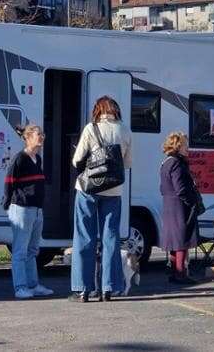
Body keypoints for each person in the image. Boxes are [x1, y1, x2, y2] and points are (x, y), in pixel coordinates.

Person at [70, 96, 132, 302]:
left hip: (88, 189)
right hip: (113, 191)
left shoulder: (90, 128)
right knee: (111, 239)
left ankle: (83, 289)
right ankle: (109, 288)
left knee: (84, 237)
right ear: (116, 110)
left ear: (98, 110)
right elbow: (128, 163)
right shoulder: (124, 130)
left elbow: (76, 159)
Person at [3, 124, 54, 299]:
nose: (42, 138)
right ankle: (20, 287)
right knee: (20, 250)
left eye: (43, 134)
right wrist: (7, 201)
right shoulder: (20, 158)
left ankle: (33, 285)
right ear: (28, 137)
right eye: (39, 134)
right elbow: (9, 180)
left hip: (37, 209)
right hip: (22, 209)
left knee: (33, 250)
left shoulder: (37, 159)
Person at [159, 132, 200, 284]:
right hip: (179, 205)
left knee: (174, 240)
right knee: (182, 240)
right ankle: (181, 273)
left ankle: (175, 272)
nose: (187, 148)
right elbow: (180, 187)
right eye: (185, 145)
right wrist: (191, 201)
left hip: (169, 204)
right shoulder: (177, 163)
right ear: (178, 146)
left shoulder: (166, 162)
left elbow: (162, 186)